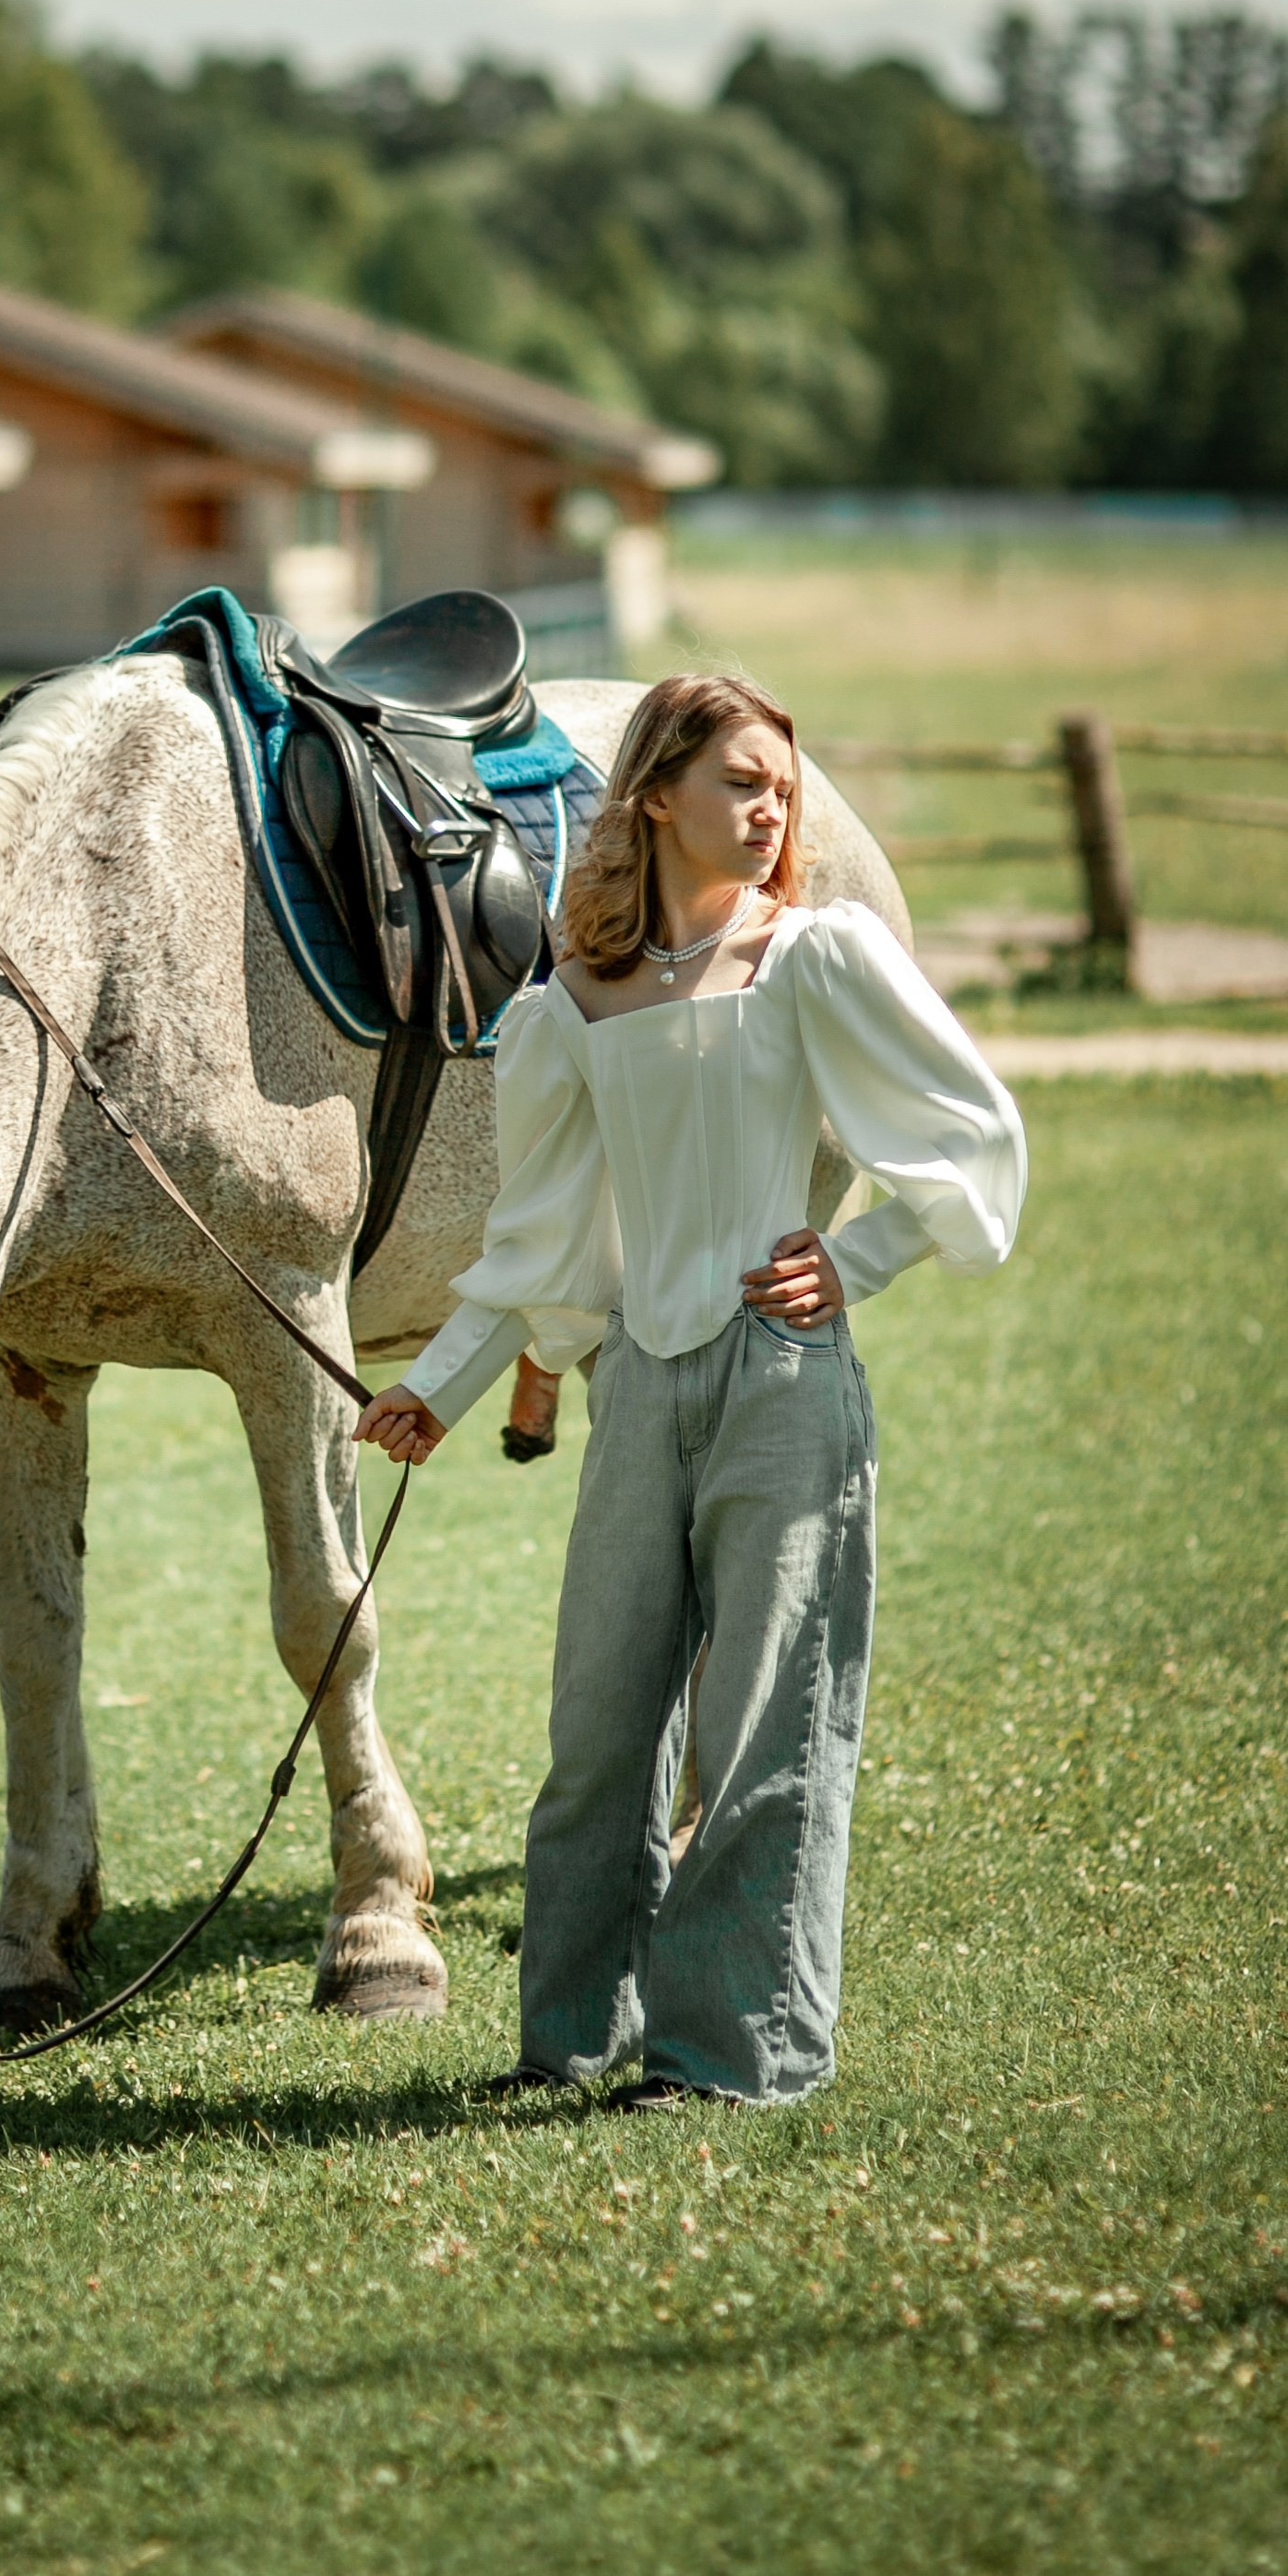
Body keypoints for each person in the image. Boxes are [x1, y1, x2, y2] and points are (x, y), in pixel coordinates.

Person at [354, 675, 1026, 2110]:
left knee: (765, 1727)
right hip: (639, 1389)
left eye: (782, 782)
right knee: (598, 1733)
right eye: (740, 779)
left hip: (783, 1383)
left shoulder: (815, 957)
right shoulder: (571, 1005)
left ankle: (732, 2050)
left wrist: (856, 1257)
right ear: (656, 794)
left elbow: (972, 1132)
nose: (772, 806)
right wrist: (438, 1388)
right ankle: (568, 2039)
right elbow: (540, 1238)